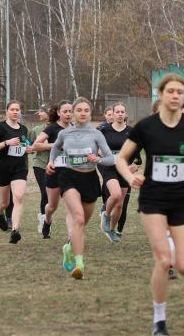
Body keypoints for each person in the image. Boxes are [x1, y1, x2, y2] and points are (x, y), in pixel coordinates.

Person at [115, 74, 184, 336]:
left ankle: (171, 241)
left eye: (180, 91)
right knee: (163, 260)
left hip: (182, 200)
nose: (176, 95)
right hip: (153, 199)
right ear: (161, 94)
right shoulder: (146, 127)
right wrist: (130, 178)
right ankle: (159, 319)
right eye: (171, 91)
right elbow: (121, 159)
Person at [48, 97, 117, 278]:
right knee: (78, 218)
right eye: (79, 110)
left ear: (90, 113)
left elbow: (111, 158)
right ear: (73, 113)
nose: (83, 113)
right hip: (69, 177)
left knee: (81, 224)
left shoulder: (96, 134)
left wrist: (98, 159)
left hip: (90, 179)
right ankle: (79, 264)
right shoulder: (65, 134)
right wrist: (51, 161)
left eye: (86, 110)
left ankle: (69, 248)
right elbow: (55, 148)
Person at [0, 100, 36, 244]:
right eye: (12, 109)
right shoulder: (1, 127)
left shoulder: (24, 129)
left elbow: (26, 145)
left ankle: (15, 230)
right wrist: (6, 143)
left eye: (17, 110)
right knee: (5, 202)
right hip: (3, 169)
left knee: (19, 197)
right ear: (7, 111)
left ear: (20, 112)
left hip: (20, 168)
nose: (15, 112)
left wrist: (29, 149)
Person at [31, 101, 73, 240]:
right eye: (65, 111)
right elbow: (35, 146)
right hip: (54, 171)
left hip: (70, 172)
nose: (68, 114)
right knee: (51, 206)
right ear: (59, 113)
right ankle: (47, 220)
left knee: (71, 206)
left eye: (70, 111)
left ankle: (71, 237)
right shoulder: (52, 128)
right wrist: (54, 145)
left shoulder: (75, 128)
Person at [98, 102, 136, 241]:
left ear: (125, 114)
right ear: (112, 114)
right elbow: (96, 146)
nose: (120, 114)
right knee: (115, 194)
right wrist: (100, 153)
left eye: (122, 112)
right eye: (117, 112)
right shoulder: (104, 130)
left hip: (124, 169)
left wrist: (135, 164)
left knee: (120, 204)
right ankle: (106, 215)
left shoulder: (131, 132)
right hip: (109, 167)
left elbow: (136, 153)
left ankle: (112, 230)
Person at [30, 104, 52, 235]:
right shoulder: (36, 130)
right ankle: (44, 220)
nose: (39, 114)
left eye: (41, 112)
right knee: (45, 193)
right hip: (40, 164)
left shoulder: (60, 128)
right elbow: (30, 145)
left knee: (53, 196)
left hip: (57, 165)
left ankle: (48, 218)